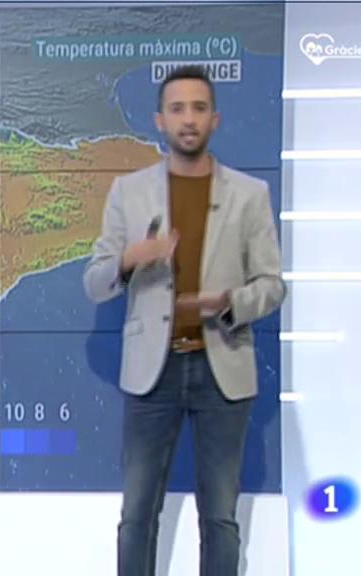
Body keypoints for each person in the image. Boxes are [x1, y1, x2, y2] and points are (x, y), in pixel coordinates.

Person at [83, 65, 286, 576]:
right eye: (177, 109)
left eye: (199, 108)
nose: (188, 119)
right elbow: (94, 281)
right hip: (153, 374)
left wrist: (231, 303)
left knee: (219, 518)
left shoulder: (249, 195)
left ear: (215, 118)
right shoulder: (128, 193)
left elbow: (273, 285)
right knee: (137, 517)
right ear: (159, 120)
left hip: (223, 371)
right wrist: (131, 258)